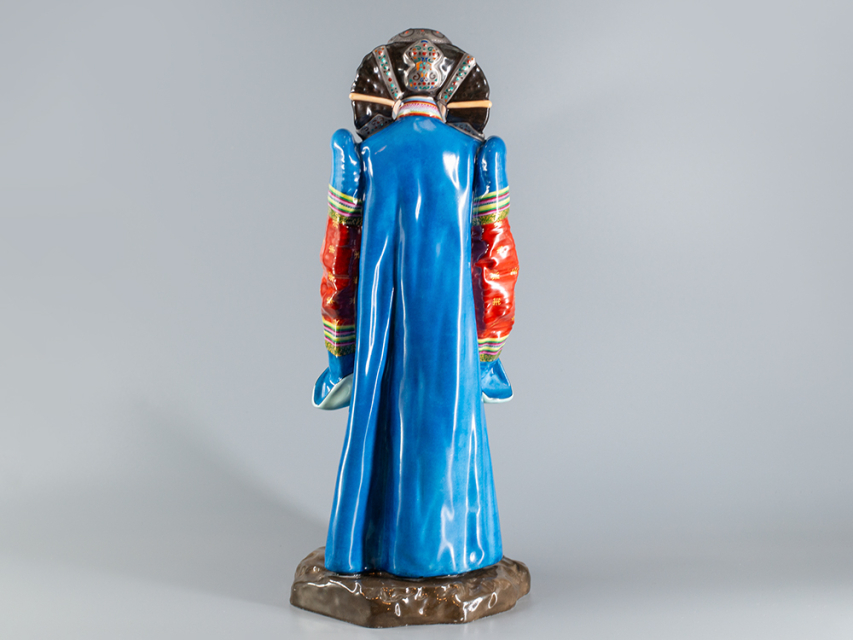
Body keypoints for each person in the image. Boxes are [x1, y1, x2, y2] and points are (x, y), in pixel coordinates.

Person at [312, 29, 520, 578]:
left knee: (380, 428)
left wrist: (340, 355)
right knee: (449, 430)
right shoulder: (479, 155)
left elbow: (338, 258)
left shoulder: (362, 154)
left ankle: (368, 549)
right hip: (453, 328)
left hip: (382, 325)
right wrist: (489, 354)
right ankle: (459, 549)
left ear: (390, 91)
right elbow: (497, 260)